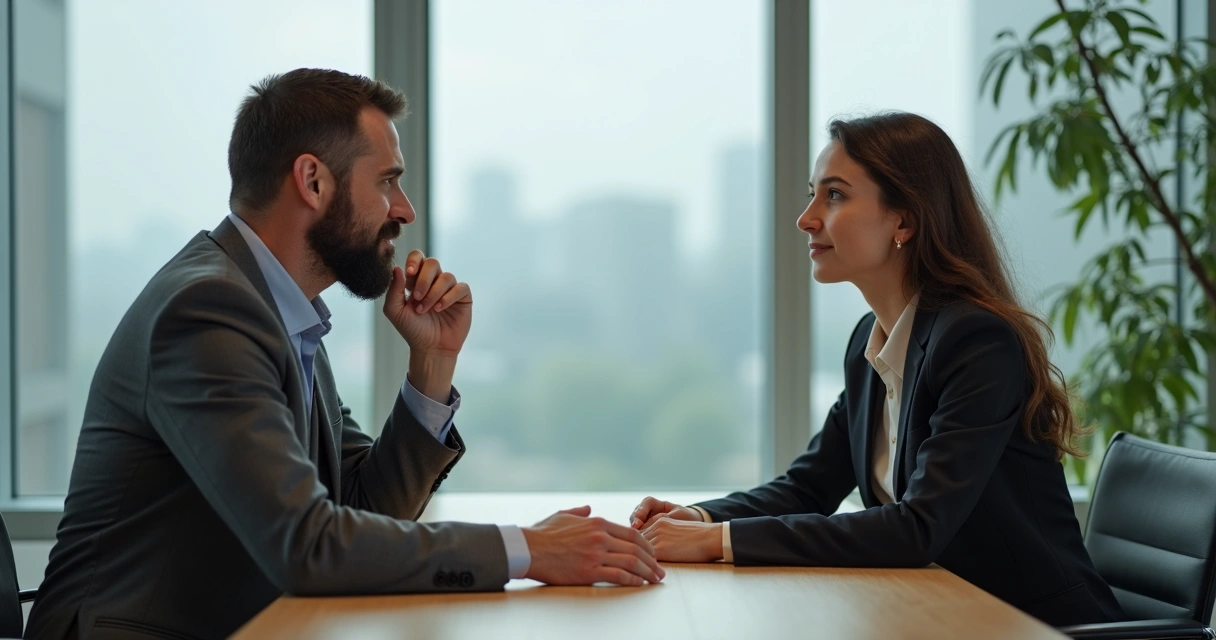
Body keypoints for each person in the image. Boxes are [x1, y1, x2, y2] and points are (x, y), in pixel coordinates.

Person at [26, 69, 662, 640]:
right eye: (387, 182)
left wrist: (431, 366)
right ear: (312, 180)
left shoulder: (280, 310)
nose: (405, 211)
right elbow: (309, 546)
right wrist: (527, 550)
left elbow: (360, 510)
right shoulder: (208, 313)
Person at [629, 112, 1125, 627]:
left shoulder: (977, 342)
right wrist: (698, 517)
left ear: (904, 221)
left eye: (835, 195)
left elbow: (917, 528)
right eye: (812, 194)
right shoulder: (872, 345)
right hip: (932, 614)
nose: (806, 218)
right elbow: (808, 487)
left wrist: (715, 542)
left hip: (1034, 626)